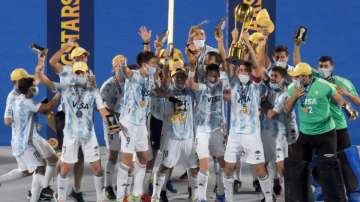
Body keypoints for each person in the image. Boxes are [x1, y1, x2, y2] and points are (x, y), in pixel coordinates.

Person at [36, 61, 114, 202]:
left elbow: (103, 110)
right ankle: (61, 198)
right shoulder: (66, 88)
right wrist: (40, 73)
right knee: (65, 169)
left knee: (98, 169)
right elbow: (50, 84)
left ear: (86, 74)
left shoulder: (93, 91)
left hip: (89, 136)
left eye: (81, 72)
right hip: (70, 136)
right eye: (76, 72)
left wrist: (113, 125)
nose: (79, 75)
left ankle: (100, 198)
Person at [294, 40, 360, 200]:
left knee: (345, 161)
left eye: (326, 66)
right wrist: (297, 46)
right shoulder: (314, 79)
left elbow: (358, 102)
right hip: (321, 130)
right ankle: (325, 191)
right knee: (321, 162)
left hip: (338, 127)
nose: (323, 69)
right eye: (320, 66)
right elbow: (298, 65)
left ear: (332, 67)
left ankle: (354, 193)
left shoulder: (342, 82)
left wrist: (347, 94)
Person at [284, 62, 348, 201]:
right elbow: (287, 109)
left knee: (327, 167)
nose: (295, 79)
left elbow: (339, 99)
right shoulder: (292, 88)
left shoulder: (324, 85)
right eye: (294, 77)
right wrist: (294, 96)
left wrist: (349, 110)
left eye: (298, 76)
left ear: (307, 77)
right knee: (298, 168)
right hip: (306, 134)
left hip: (326, 134)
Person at [11, 66, 60, 202]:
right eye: (33, 87)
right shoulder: (26, 102)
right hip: (24, 144)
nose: (35, 88)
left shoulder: (21, 98)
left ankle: (38, 195)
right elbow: (48, 107)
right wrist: (58, 94)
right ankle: (46, 190)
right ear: (28, 90)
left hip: (27, 140)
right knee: (38, 169)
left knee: (48, 162)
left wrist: (40, 63)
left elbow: (40, 109)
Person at [49, 38, 90, 202]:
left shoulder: (89, 73)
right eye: (78, 57)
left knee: (80, 158)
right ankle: (56, 190)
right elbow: (52, 61)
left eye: (84, 57)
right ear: (72, 59)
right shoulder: (64, 70)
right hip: (65, 118)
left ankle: (76, 190)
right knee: (66, 159)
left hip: (81, 120)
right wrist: (66, 47)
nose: (81, 59)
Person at [116, 51, 158, 201]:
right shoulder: (133, 75)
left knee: (143, 159)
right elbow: (125, 71)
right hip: (128, 122)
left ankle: (136, 194)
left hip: (141, 124)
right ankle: (121, 198)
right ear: (145, 65)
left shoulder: (150, 79)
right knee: (127, 160)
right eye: (153, 63)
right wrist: (123, 64)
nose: (156, 66)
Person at [151, 67, 198, 202]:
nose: (179, 79)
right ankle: (156, 196)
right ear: (172, 78)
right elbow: (155, 103)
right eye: (176, 76)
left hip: (188, 137)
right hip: (170, 138)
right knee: (165, 166)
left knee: (194, 168)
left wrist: (192, 72)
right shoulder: (166, 93)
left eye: (182, 77)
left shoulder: (191, 93)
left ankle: (195, 196)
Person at [188, 64, 230, 202]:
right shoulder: (202, 87)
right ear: (206, 76)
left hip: (217, 130)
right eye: (210, 75)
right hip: (202, 131)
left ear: (219, 75)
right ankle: (201, 198)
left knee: (224, 164)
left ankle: (223, 193)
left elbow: (231, 80)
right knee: (204, 164)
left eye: (215, 75)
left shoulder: (222, 84)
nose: (213, 77)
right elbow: (191, 84)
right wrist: (192, 71)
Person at [260, 66, 299, 197]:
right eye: (271, 75)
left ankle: (288, 192)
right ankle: (270, 193)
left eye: (276, 76)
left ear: (283, 79)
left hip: (280, 133)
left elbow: (271, 114)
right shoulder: (268, 88)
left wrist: (263, 104)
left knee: (281, 164)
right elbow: (259, 67)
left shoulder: (285, 93)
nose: (272, 78)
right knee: (264, 163)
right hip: (266, 131)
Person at [100, 54, 126, 200]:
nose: (122, 67)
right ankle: (108, 186)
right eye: (118, 64)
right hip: (113, 122)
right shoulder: (108, 85)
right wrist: (115, 126)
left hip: (128, 124)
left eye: (124, 64)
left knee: (127, 156)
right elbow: (103, 109)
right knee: (113, 154)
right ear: (113, 68)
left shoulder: (130, 82)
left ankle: (121, 184)